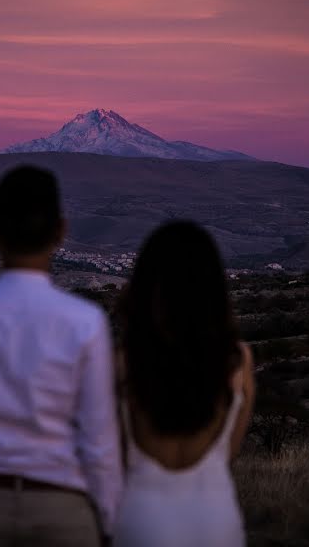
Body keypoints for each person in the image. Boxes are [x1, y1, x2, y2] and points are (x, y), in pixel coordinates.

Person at [0, 165, 122, 546]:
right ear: (61, 231)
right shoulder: (85, 321)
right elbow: (99, 436)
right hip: (63, 508)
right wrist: (109, 516)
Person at [113, 220, 255, 547]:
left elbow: (111, 454)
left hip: (139, 521)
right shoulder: (237, 361)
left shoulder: (121, 363)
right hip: (216, 521)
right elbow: (228, 452)